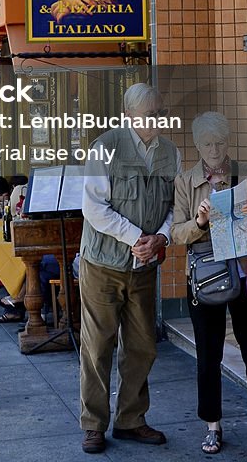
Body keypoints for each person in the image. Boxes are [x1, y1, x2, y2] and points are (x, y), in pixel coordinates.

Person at [171, 112, 247, 454]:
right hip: (207, 276)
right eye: (207, 144)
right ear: (197, 145)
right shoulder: (185, 181)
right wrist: (200, 222)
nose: (215, 150)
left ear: (229, 141)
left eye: (220, 142)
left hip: (246, 273)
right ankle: (212, 425)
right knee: (208, 354)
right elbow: (177, 233)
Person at [79, 83, 181, 454]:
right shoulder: (104, 148)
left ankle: (131, 420)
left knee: (142, 347)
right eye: (150, 114)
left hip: (144, 265)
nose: (157, 120)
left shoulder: (170, 152)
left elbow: (176, 206)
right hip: (103, 264)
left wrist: (162, 239)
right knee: (97, 347)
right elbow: (93, 208)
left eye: (160, 112)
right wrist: (138, 236)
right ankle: (93, 425)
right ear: (129, 116)